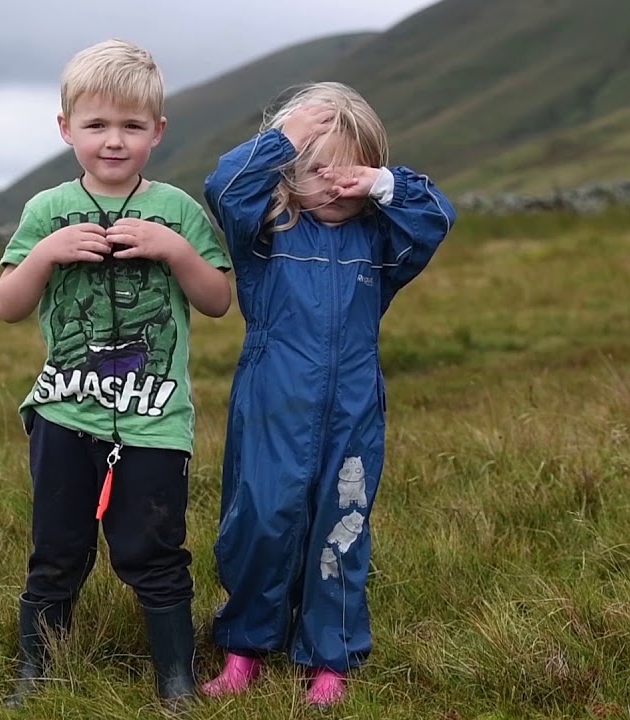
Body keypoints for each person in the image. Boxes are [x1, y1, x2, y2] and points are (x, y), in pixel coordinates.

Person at [0, 38, 232, 711]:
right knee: (56, 551)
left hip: (155, 421)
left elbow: (217, 300)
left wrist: (175, 250)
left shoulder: (178, 210)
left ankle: (176, 681)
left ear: (158, 130)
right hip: (65, 416)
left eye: (132, 125)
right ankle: (36, 674)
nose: (114, 141)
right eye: (96, 124)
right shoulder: (46, 211)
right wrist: (45, 254)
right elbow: (8, 304)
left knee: (155, 551)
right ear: (66, 128)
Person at [200, 81, 456, 707]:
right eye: (317, 171)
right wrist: (284, 138)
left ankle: (330, 658)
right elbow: (224, 187)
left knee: (341, 527)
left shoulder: (380, 242)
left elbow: (436, 216)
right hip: (271, 404)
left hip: (353, 411)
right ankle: (245, 647)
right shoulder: (265, 234)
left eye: (351, 173)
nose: (335, 187)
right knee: (261, 520)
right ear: (289, 173)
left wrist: (382, 185)